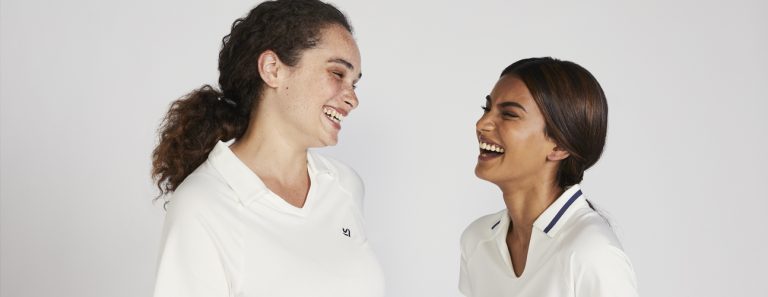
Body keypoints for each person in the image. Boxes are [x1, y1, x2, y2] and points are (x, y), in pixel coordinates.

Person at [150, 1, 385, 296]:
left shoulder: (345, 187)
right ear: (273, 69)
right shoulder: (203, 205)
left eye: (355, 84)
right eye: (337, 74)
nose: (352, 99)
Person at [459, 57, 638, 297]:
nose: (482, 124)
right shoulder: (477, 240)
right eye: (486, 109)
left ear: (559, 147)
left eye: (509, 114)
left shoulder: (591, 253)